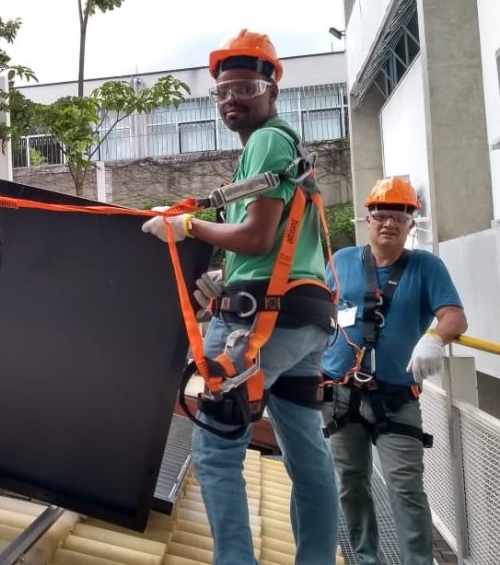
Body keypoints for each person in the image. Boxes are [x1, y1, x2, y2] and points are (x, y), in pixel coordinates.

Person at [142, 29, 339, 564]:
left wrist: (190, 229)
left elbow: (256, 236)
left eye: (245, 87)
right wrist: (225, 281)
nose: (231, 99)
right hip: (304, 321)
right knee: (304, 449)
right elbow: (269, 247)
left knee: (215, 443)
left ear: (271, 90)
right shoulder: (288, 150)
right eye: (222, 91)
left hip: (264, 322)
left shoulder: (267, 141)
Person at [321, 176, 468, 565]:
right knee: (350, 485)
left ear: (410, 225)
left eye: (398, 217)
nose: (389, 223)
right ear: (367, 220)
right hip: (341, 396)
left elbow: (454, 316)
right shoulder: (341, 262)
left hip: (397, 399)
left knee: (405, 489)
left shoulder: (425, 267)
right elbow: (317, 308)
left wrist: (434, 337)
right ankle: (367, 559)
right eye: (381, 215)